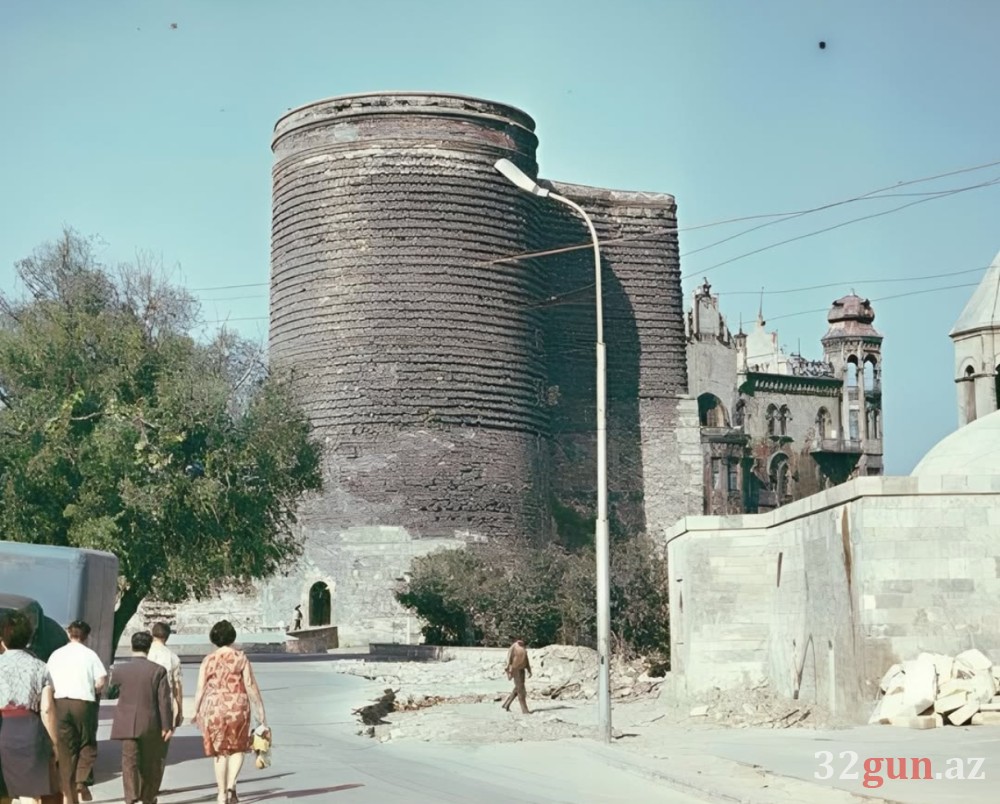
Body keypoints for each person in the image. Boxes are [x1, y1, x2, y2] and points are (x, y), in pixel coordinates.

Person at [194, 620, 267, 804]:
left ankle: (220, 793)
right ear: (232, 636)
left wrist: (196, 712)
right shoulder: (240, 658)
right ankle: (231, 785)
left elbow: (200, 688)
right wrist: (260, 711)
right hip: (238, 706)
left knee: (220, 752)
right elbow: (250, 685)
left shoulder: (208, 660)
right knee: (238, 748)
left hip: (215, 707)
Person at [0, 609, 59, 803]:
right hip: (29, 732)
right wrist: (54, 744)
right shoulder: (40, 666)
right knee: (29, 794)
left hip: (2, 729)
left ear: (2, 639)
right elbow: (47, 709)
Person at [46, 621, 107, 804]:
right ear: (87, 636)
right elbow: (101, 681)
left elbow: (48, 679)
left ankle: (69, 796)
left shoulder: (56, 654)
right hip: (83, 703)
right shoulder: (90, 655)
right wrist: (93, 689)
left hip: (61, 703)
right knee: (87, 744)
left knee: (66, 750)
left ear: (68, 633)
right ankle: (81, 780)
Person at [107, 632, 172, 804]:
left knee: (129, 761)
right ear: (149, 647)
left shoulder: (120, 669)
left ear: (132, 646)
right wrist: (167, 725)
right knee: (149, 762)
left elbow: (110, 692)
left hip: (127, 722)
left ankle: (131, 797)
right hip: (151, 722)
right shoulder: (158, 670)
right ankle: (148, 798)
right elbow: (163, 700)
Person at [147, 623, 183, 731]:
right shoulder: (173, 657)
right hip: (166, 703)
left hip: (145, 702)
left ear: (152, 634)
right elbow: (177, 687)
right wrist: (180, 710)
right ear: (167, 636)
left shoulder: (146, 654)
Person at [502, 638, 532, 714]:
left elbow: (526, 659)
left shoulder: (523, 647)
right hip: (515, 669)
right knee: (521, 690)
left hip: (522, 670)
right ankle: (524, 710)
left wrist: (529, 669)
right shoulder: (513, 647)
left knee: (518, 688)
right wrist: (508, 669)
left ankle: (506, 704)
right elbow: (509, 659)